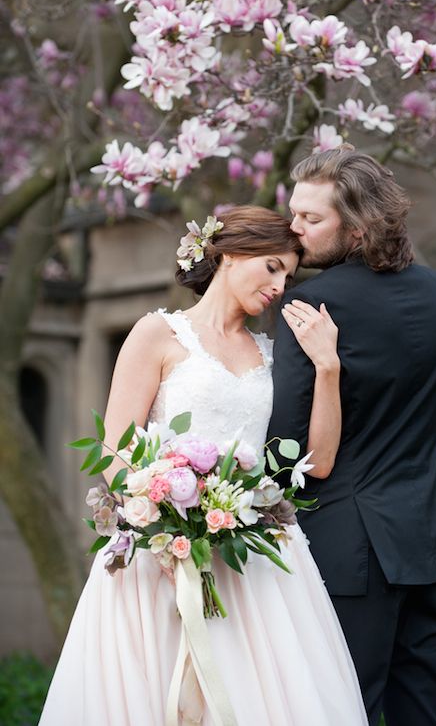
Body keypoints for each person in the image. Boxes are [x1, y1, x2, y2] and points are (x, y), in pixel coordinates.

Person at [39, 206, 368, 726]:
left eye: (290, 275)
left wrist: (327, 367)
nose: (282, 287)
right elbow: (114, 449)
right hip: (160, 556)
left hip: (254, 558)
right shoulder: (157, 334)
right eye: (273, 267)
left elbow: (319, 461)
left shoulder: (277, 354)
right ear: (230, 255)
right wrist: (160, 515)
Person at [267, 146, 436, 726]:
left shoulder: (308, 306)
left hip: (342, 546)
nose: (294, 228)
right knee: (427, 706)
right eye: (294, 213)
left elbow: (286, 446)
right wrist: (423, 504)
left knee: (341, 706)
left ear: (356, 230)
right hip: (424, 539)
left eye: (311, 219)